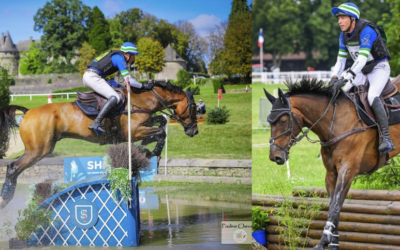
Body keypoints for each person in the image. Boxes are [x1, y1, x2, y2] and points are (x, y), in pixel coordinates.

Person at [329, 2, 394, 154]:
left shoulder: (367, 31)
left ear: (353, 19)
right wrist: (334, 77)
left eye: (343, 17)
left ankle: (386, 138)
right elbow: (341, 61)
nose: (339, 21)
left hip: (379, 68)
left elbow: (362, 59)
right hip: (361, 70)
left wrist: (346, 77)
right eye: (338, 18)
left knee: (372, 96)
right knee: (340, 93)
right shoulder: (343, 36)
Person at [83, 42, 153, 135]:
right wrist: (143, 86)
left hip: (93, 76)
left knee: (118, 89)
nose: (134, 59)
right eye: (134, 56)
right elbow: (129, 81)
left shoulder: (117, 57)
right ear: (128, 55)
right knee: (115, 97)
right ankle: (96, 122)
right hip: (93, 77)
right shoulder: (120, 59)